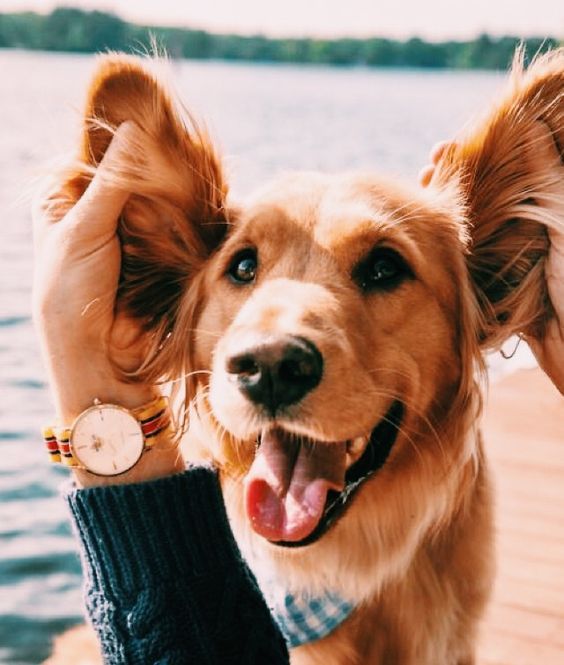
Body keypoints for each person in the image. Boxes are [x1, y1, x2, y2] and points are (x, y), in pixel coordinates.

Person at [33, 126, 564, 664]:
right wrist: (92, 357)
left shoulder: (463, 529)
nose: (274, 349)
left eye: (384, 267)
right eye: (243, 268)